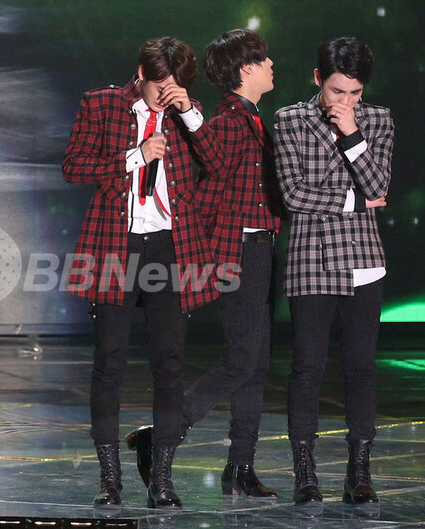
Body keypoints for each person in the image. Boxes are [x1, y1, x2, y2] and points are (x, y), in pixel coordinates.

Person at [63, 36, 227, 510]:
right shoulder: (102, 104)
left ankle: (162, 477)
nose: (164, 95)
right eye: (159, 86)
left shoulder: (187, 115)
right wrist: (135, 156)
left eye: (174, 87)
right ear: (141, 74)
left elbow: (217, 164)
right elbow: (73, 166)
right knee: (109, 360)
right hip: (116, 243)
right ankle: (110, 478)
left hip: (170, 247)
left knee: (169, 362)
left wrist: (189, 113)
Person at [125, 29, 283, 500]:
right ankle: (163, 435)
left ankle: (240, 467)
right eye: (265, 59)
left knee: (256, 363)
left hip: (260, 246)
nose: (272, 65)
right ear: (247, 69)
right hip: (237, 249)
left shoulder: (252, 118)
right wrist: (191, 114)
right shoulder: (229, 121)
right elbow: (212, 163)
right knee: (241, 360)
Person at [273, 37, 392, 509]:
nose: (346, 101)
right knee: (307, 368)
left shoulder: (377, 119)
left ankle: (359, 474)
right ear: (317, 79)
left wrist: (352, 133)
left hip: (365, 260)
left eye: (355, 93)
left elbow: (380, 184)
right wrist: (355, 202)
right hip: (311, 259)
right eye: (338, 90)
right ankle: (305, 475)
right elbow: (293, 195)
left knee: (361, 369)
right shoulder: (289, 119)